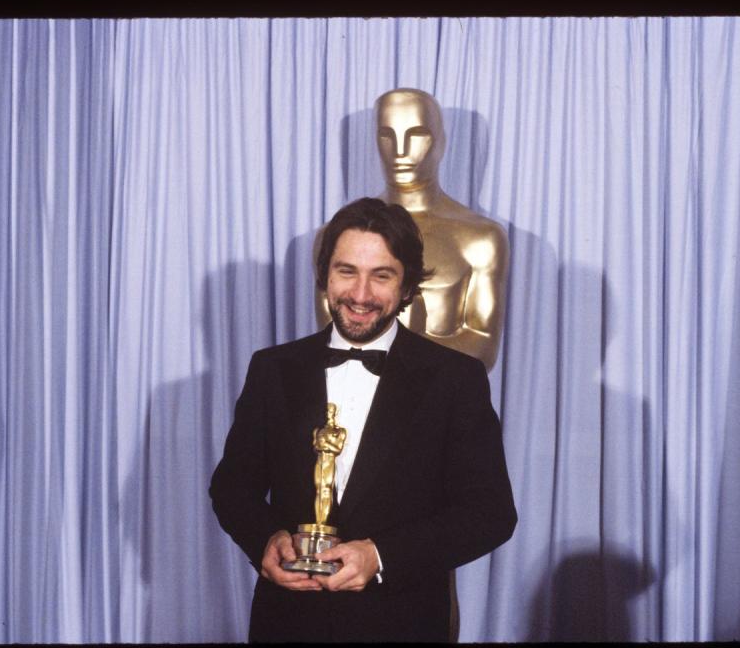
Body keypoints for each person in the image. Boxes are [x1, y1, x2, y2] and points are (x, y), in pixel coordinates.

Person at [210, 197, 516, 642]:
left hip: (401, 624)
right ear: (325, 276)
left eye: (382, 276)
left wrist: (380, 556)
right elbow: (232, 486)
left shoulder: (455, 379)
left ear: (408, 286)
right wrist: (266, 540)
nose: (360, 295)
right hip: (287, 623)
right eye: (347, 271)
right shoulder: (273, 368)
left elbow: (490, 514)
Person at [315, 88, 509, 369]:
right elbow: (335, 339)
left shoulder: (482, 238)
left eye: (417, 134)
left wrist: (401, 351)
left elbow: (483, 345)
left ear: (441, 142)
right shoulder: (335, 237)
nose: (401, 150)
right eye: (386, 135)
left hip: (446, 404)